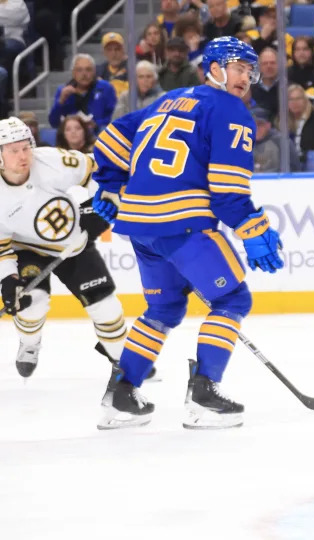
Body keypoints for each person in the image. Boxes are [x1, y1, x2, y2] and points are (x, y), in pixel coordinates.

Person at [90, 36, 284, 430]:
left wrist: (110, 185)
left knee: (163, 309)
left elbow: (112, 135)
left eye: (250, 70)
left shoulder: (170, 98)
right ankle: (204, 394)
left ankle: (121, 395)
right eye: (239, 67)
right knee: (232, 298)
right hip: (184, 223)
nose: (246, 77)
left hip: (140, 225)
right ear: (214, 67)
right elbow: (228, 193)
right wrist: (254, 228)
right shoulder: (231, 111)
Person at [0, 117, 126, 379]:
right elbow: (1, 248)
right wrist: (8, 278)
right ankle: (30, 344)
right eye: (13, 150)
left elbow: (96, 171)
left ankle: (124, 361)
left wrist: (101, 204)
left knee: (106, 307)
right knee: (32, 302)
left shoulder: (51, 160)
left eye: (26, 147)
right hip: (28, 249)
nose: (23, 155)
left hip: (73, 243)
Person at [49, 54, 118, 133]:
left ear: (94, 72)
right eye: (79, 70)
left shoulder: (106, 88)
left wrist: (97, 124)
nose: (84, 74)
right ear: (73, 73)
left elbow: (114, 117)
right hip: (71, 137)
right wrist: (60, 101)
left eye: (88, 70)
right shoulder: (63, 91)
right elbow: (53, 123)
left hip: (98, 134)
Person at [288, 83, 314, 165]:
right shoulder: (282, 121)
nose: (294, 102)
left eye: (298, 98)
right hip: (288, 166)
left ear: (305, 100)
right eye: (291, 99)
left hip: (311, 164)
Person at [252, 107, 298, 173]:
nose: (256, 128)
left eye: (260, 124)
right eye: (252, 125)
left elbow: (293, 168)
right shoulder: (243, 143)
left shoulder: (281, 142)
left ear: (268, 125)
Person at [97, 32, 130, 97]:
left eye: (117, 49)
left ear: (123, 50)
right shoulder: (98, 70)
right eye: (109, 50)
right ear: (104, 52)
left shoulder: (133, 68)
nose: (113, 53)